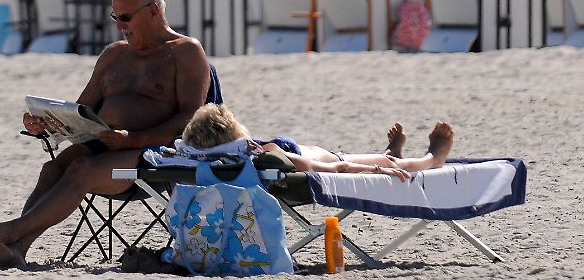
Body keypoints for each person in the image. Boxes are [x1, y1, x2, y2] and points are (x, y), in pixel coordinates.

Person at [0, 0, 211, 268]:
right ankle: (19, 247)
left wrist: (131, 140)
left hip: (152, 155)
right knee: (52, 168)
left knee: (82, 170)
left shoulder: (184, 51)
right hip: (104, 145)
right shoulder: (113, 55)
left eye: (126, 17)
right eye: (115, 17)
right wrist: (46, 123)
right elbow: (81, 109)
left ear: (153, 11)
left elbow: (189, 117)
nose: (120, 25)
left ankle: (10, 231)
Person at [181, 104, 454, 182]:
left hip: (331, 155)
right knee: (390, 162)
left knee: (366, 156)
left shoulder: (213, 158)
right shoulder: (267, 158)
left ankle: (387, 152)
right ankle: (432, 158)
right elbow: (338, 170)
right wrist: (379, 171)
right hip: (331, 161)